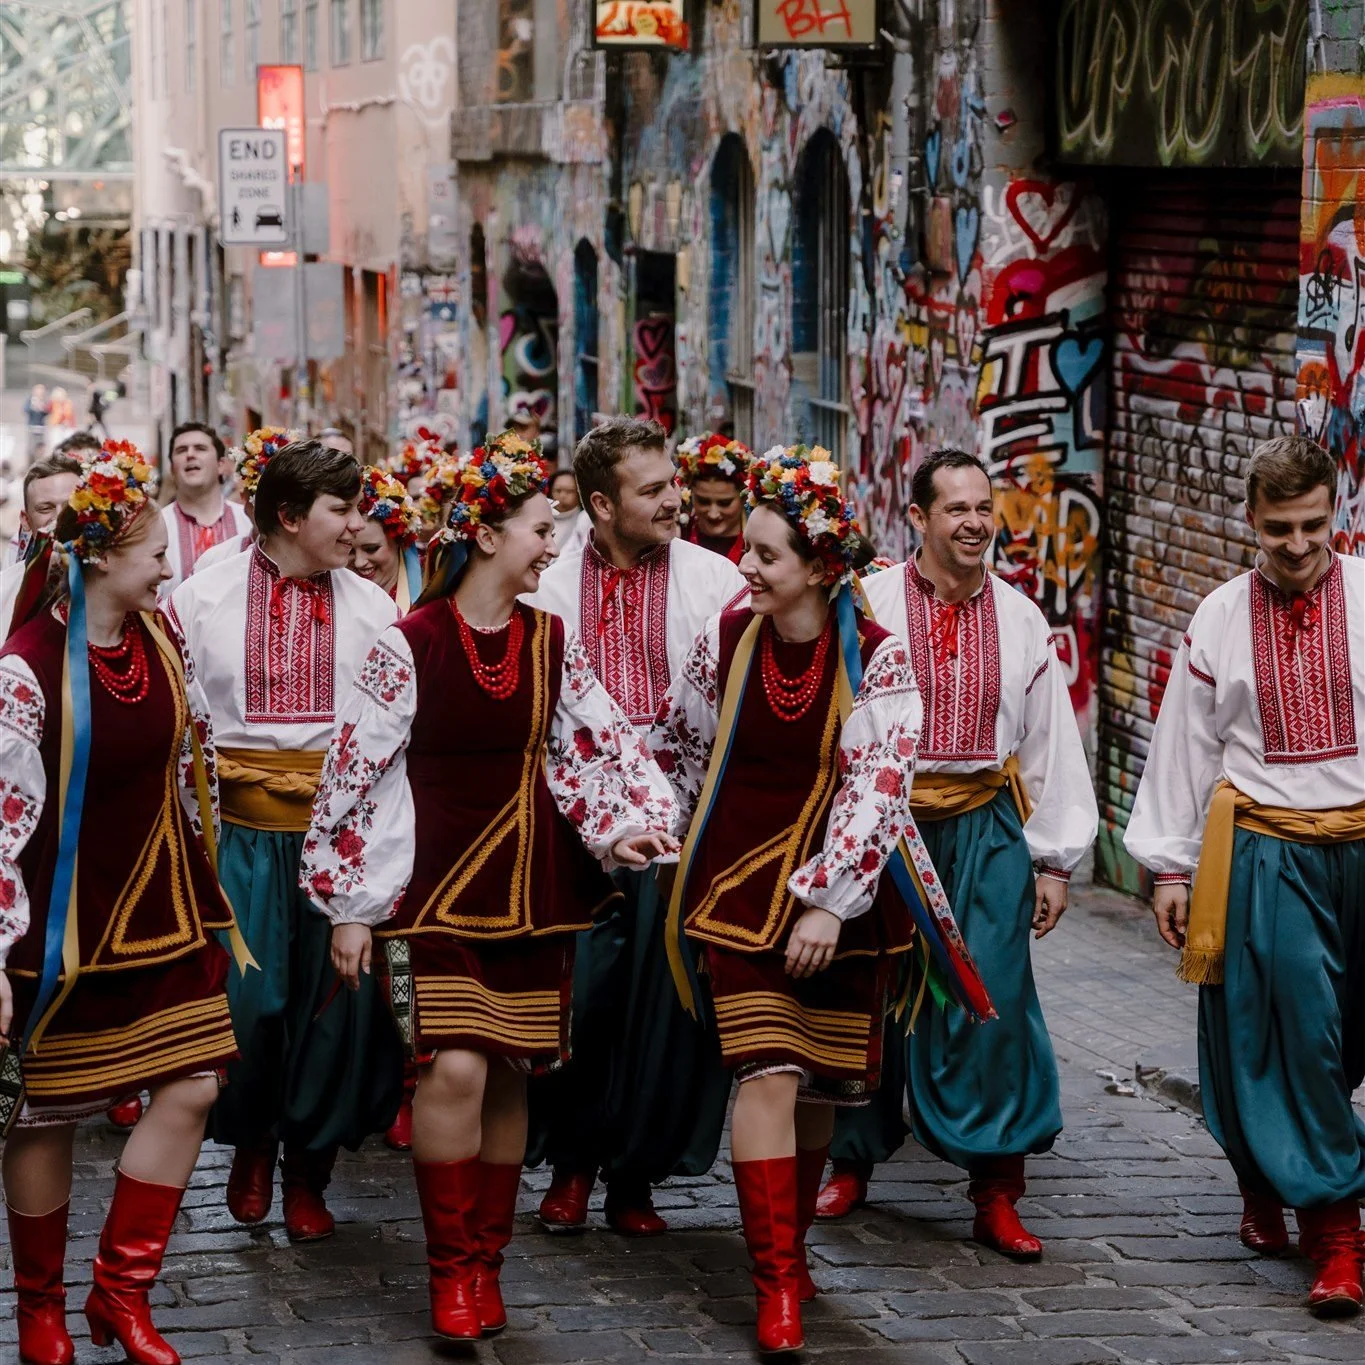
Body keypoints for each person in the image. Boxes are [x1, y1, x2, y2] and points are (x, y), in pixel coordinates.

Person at [301, 433, 678, 1342]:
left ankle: (487, 1259)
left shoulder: (551, 640)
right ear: (484, 533)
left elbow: (592, 746)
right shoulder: (409, 644)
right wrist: (349, 906)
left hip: (531, 885)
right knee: (455, 1063)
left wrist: (624, 824)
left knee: (509, 1071)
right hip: (430, 883)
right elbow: (353, 774)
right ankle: (446, 1270)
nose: (553, 545)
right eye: (539, 528)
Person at [647, 444, 988, 1354]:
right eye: (747, 550)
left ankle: (790, 1250)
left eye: (765, 555)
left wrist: (830, 900)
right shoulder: (725, 634)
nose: (745, 567)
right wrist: (654, 830)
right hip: (733, 885)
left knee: (818, 1088)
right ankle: (777, 1283)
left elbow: (880, 786)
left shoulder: (878, 658)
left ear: (820, 567)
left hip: (841, 897)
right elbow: (682, 744)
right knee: (765, 1071)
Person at [0, 442, 249, 1365]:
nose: (169, 565)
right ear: (102, 554)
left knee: (193, 1081)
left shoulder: (158, 638)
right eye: (153, 552)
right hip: (58, 922)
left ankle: (121, 1289)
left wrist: (211, 880)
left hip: (161, 911)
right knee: (45, 1110)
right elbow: (0, 819)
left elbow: (193, 763)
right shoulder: (24, 667)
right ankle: (38, 1309)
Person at [816, 449, 1097, 1260]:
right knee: (869, 991)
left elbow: (1049, 744)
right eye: (956, 508)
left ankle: (996, 1188)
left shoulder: (1019, 620)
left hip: (982, 827)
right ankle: (851, 1159)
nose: (974, 522)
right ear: (918, 517)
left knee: (994, 998)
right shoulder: (865, 604)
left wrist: (1052, 860)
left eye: (983, 507)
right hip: (883, 822)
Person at [1124, 435, 1365, 1316]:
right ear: (1250, 522)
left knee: (1341, 1038)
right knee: (1295, 1030)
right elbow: (1184, 747)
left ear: (1334, 510)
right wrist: (1169, 868)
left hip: (1360, 846)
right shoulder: (1219, 615)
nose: (1296, 546)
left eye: (1310, 525)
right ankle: (1336, 1235)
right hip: (1263, 851)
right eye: (1276, 530)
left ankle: (1271, 1175)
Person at [167, 441, 403, 1243]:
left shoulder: (374, 609)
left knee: (333, 1008)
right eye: (339, 509)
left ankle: (309, 1167)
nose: (355, 525)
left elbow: (390, 735)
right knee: (249, 1005)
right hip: (240, 837)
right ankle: (253, 1143)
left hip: (340, 835)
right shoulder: (201, 598)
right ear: (290, 516)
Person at [522, 415, 746, 1235]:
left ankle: (633, 1178)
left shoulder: (714, 581)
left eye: (672, 482)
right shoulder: (544, 582)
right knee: (580, 1000)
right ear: (601, 504)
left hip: (682, 829)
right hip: (571, 826)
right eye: (652, 490)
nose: (675, 501)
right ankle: (571, 1161)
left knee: (668, 1005)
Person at [191, 427, 296, 575]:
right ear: (245, 499)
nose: (274, 511)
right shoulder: (214, 561)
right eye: (259, 495)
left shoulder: (322, 564)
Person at [159, 423, 250, 593]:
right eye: (181, 450)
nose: (190, 455)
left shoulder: (248, 521)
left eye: (200, 448)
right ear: (172, 469)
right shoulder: (157, 526)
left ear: (221, 465)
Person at [352, 464, 423, 613]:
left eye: (371, 549)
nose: (359, 562)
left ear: (399, 540)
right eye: (349, 550)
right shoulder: (330, 596)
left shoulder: (429, 586)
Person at [676, 432, 750, 563]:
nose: (713, 514)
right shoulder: (678, 535)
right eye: (703, 501)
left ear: (743, 498)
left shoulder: (756, 542)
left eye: (724, 503)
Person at [548, 468, 588, 556]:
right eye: (558, 490)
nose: (563, 496)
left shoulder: (585, 521)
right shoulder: (541, 518)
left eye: (569, 491)